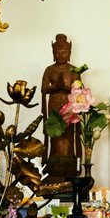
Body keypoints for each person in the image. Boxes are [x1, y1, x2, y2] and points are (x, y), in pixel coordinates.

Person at [41, 34, 81, 178]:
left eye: (64, 52)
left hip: (69, 107)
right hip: (54, 106)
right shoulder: (49, 70)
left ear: (69, 52)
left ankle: (69, 167)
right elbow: (43, 89)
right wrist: (56, 87)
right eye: (57, 52)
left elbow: (79, 91)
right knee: (55, 137)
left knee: (68, 137)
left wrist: (67, 88)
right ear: (53, 52)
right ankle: (55, 167)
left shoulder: (74, 71)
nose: (61, 55)